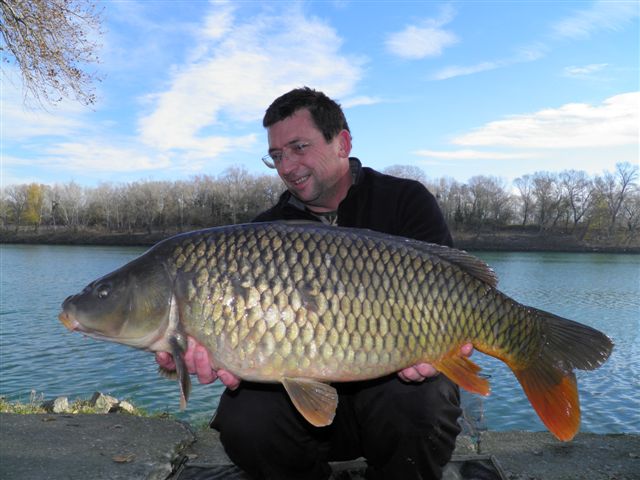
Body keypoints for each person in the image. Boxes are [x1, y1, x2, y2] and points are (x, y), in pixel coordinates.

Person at [157, 87, 473, 480]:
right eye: (276, 156)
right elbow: (220, 342)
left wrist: (442, 349)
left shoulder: (404, 201)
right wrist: (179, 358)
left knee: (419, 404)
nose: (287, 166)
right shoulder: (262, 235)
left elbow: (458, 295)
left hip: (393, 400)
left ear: (341, 142)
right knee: (244, 421)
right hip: (309, 417)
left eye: (299, 147)